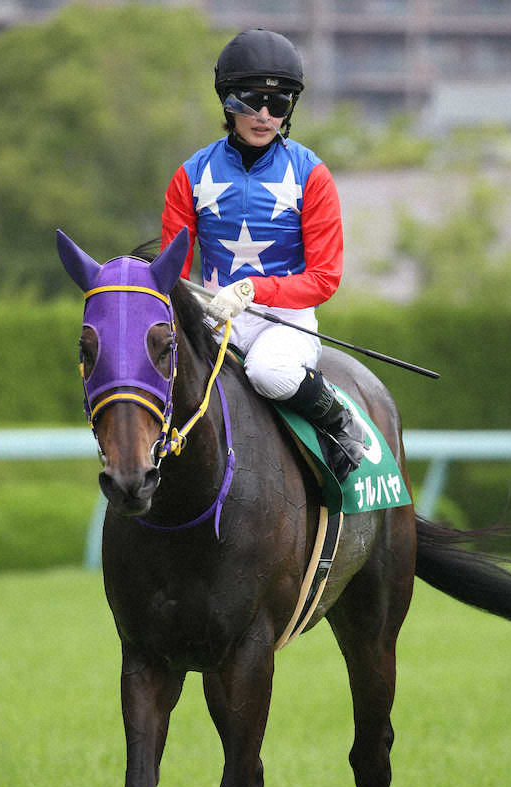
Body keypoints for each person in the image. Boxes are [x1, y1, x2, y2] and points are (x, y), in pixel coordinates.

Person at [161, 28, 366, 481]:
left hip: (285, 322)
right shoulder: (190, 175)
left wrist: (255, 289)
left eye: (280, 104)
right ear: (228, 100)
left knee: (269, 373)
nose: (265, 115)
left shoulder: (311, 175)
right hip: (214, 317)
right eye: (253, 100)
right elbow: (169, 269)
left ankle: (339, 421)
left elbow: (325, 279)